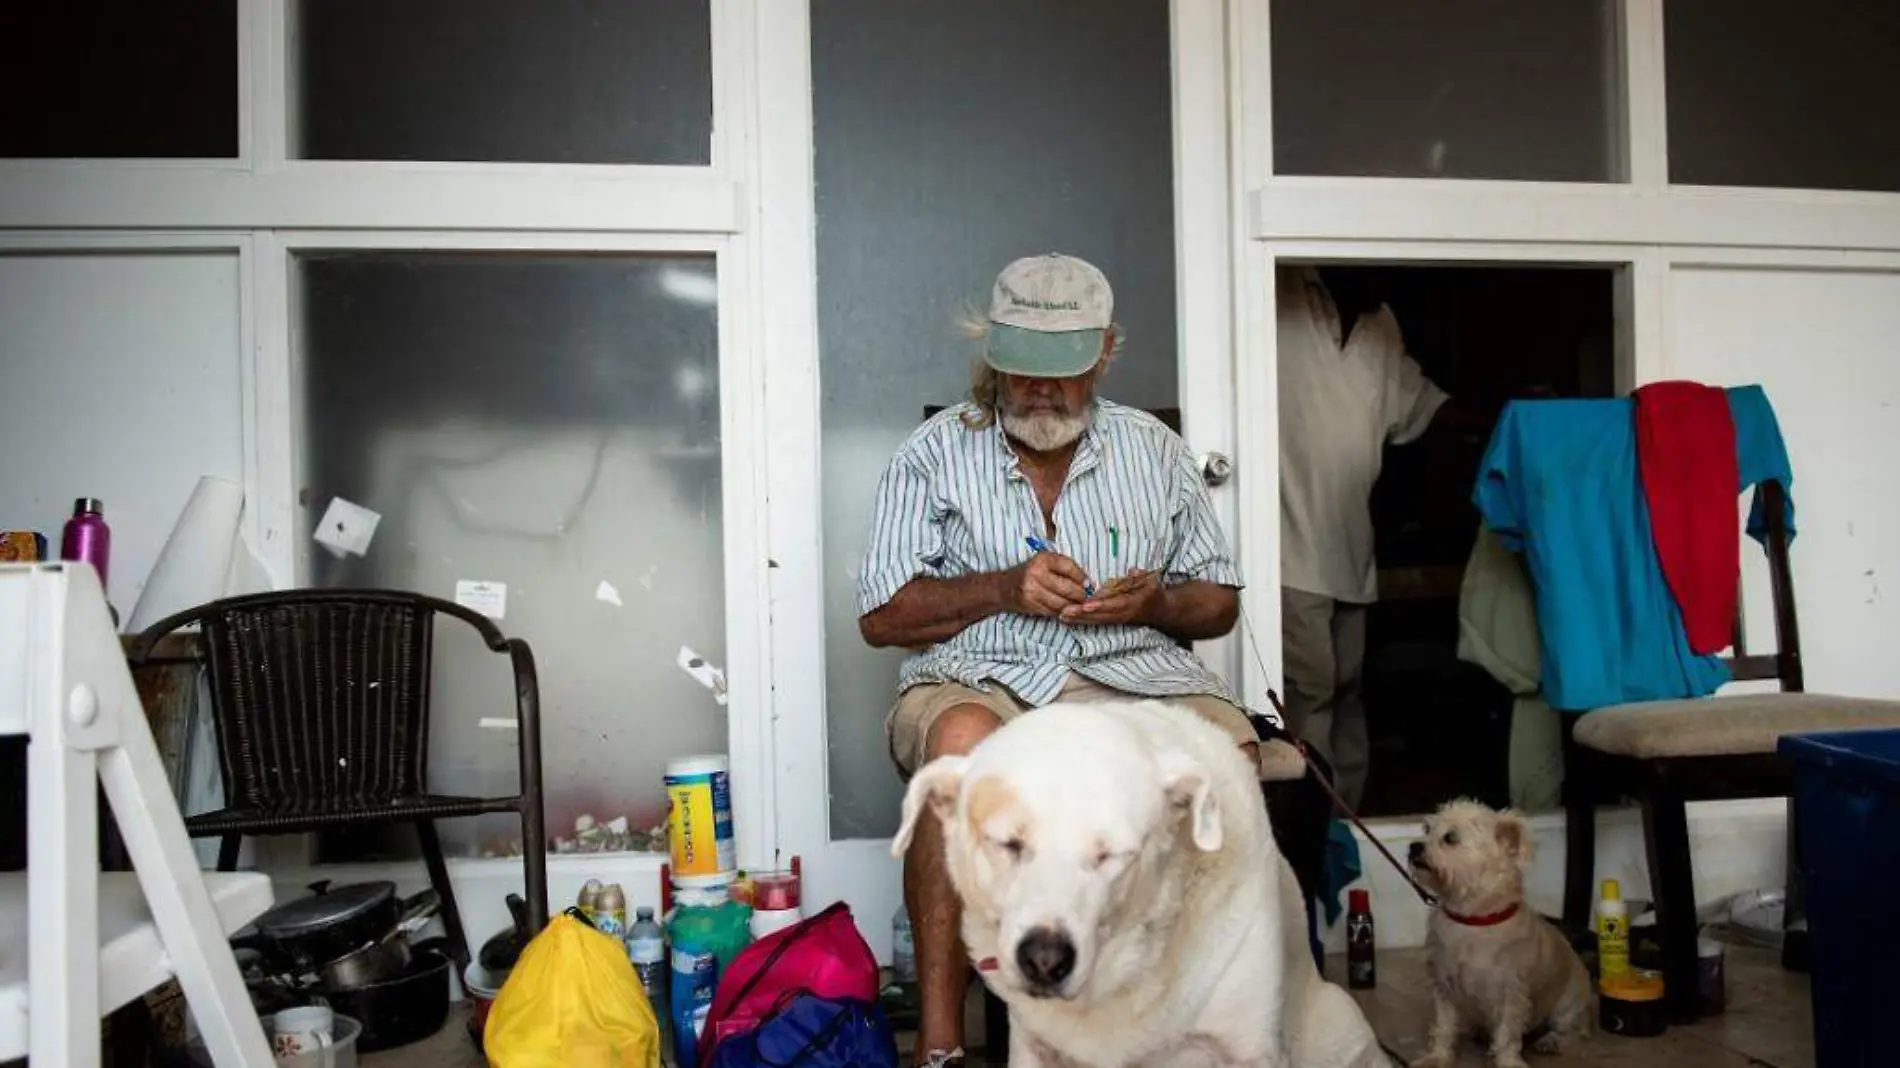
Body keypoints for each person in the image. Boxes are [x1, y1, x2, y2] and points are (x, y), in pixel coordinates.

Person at [857, 253, 1277, 1067]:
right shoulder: (932, 454)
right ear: (993, 355)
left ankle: (1187, 1021)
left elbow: (1220, 601)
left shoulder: (1154, 451)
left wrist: (1156, 604)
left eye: (1063, 372)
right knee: (961, 754)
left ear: (1107, 353)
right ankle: (941, 1044)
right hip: (980, 676)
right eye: (1023, 371)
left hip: (1138, 677)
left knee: (1222, 758)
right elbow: (881, 616)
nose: (1041, 392)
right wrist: (1004, 588)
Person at [1276, 266, 1452, 811]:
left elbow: (1416, 412)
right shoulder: (1281, 292)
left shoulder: (1381, 323)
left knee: (1347, 690)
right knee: (1311, 692)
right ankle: (1307, 824)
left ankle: (1342, 823)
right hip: (1285, 547)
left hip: (1351, 551)